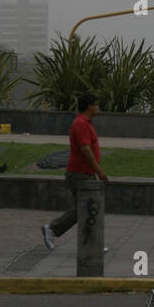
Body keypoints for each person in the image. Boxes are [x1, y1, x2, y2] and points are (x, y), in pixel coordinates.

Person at [42, 92, 109, 249]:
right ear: (89, 106)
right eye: (96, 105)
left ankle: (92, 243)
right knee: (86, 206)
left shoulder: (85, 123)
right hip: (79, 173)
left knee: (88, 207)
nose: (98, 108)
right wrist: (99, 171)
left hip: (85, 173)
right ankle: (52, 229)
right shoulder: (80, 124)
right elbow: (85, 150)